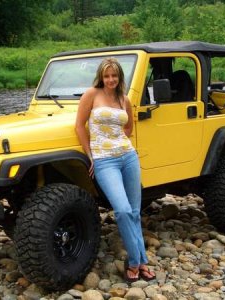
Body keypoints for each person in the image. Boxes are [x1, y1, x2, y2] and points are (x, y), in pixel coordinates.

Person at [75, 57, 155, 283]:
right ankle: (138, 262)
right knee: (121, 210)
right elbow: (79, 125)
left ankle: (139, 263)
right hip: (104, 161)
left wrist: (116, 138)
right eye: (106, 76)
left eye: (114, 75)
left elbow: (128, 127)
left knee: (135, 212)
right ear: (101, 77)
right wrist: (90, 155)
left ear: (119, 77)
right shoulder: (91, 94)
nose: (110, 79)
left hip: (128, 156)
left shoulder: (124, 98)